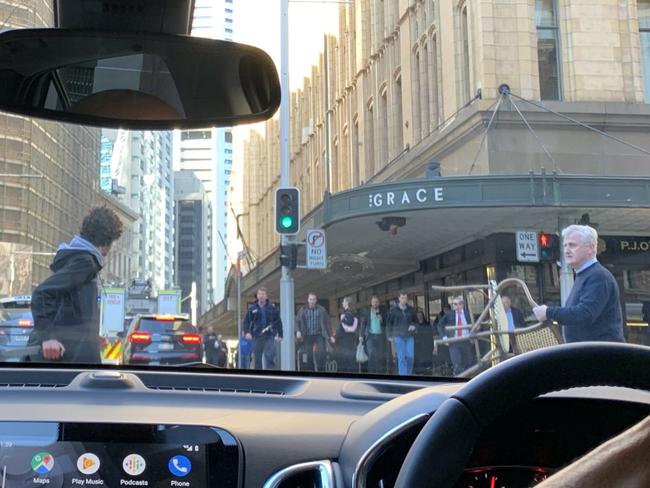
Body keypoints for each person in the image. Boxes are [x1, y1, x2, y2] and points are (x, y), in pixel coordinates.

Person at [29, 206, 123, 363]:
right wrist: (48, 338)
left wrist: (89, 336)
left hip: (71, 356)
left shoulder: (77, 259)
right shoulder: (84, 262)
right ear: (107, 241)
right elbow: (42, 293)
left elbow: (68, 310)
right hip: (70, 362)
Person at [533, 225, 625, 343]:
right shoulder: (586, 275)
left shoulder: (598, 276)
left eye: (572, 245)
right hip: (590, 352)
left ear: (591, 248)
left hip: (601, 354)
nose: (566, 250)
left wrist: (548, 312)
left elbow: (585, 314)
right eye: (565, 245)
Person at [243, 287, 283, 370]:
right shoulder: (252, 308)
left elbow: (278, 321)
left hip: (269, 336)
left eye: (263, 294)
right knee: (257, 359)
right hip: (257, 336)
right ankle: (259, 378)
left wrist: (280, 334)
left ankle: (270, 377)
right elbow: (246, 322)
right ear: (257, 296)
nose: (261, 296)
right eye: (259, 294)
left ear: (266, 296)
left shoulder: (272, 308)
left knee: (270, 356)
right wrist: (247, 332)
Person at [295, 292, 335, 371]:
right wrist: (298, 331)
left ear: (316, 300)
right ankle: (311, 371)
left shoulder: (322, 310)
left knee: (321, 353)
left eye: (313, 299)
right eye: (310, 299)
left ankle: (320, 370)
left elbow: (327, 323)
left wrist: (331, 336)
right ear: (308, 300)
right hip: (307, 335)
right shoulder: (303, 310)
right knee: (308, 354)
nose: (312, 301)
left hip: (319, 335)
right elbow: (297, 321)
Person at [437, 296, 475, 375]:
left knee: (467, 364)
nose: (456, 306)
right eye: (454, 304)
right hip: (454, 342)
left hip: (466, 341)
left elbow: (475, 326)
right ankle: (457, 381)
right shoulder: (449, 314)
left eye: (458, 304)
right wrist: (444, 337)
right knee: (457, 364)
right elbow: (440, 325)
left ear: (462, 305)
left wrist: (473, 336)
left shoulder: (468, 314)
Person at [386, 292, 418, 376]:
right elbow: (389, 323)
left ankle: (408, 374)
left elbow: (416, 322)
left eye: (406, 298)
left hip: (409, 336)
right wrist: (389, 335)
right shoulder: (393, 310)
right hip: (398, 336)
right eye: (402, 298)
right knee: (402, 357)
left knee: (410, 357)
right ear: (399, 299)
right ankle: (403, 377)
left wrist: (414, 326)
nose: (404, 300)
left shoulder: (411, 309)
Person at [359, 296, 388, 374]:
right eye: (373, 302)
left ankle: (379, 372)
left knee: (380, 354)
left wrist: (381, 319)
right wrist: (361, 335)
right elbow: (363, 324)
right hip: (370, 336)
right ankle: (371, 372)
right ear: (371, 303)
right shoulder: (367, 312)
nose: (375, 303)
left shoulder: (383, 311)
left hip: (380, 336)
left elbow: (387, 323)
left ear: (379, 303)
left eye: (376, 302)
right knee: (371, 354)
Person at [336, 297, 359, 373]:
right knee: (351, 361)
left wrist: (342, 319)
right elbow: (353, 328)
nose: (342, 303)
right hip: (351, 341)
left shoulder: (346, 314)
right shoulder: (354, 314)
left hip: (345, 341)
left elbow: (347, 328)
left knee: (346, 362)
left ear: (347, 303)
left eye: (343, 302)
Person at [413, 309, 434, 375]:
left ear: (423, 316)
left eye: (420, 315)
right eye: (418, 315)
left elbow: (430, 336)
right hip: (418, 346)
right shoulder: (414, 325)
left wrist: (431, 346)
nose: (419, 316)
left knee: (427, 361)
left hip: (426, 346)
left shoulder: (427, 324)